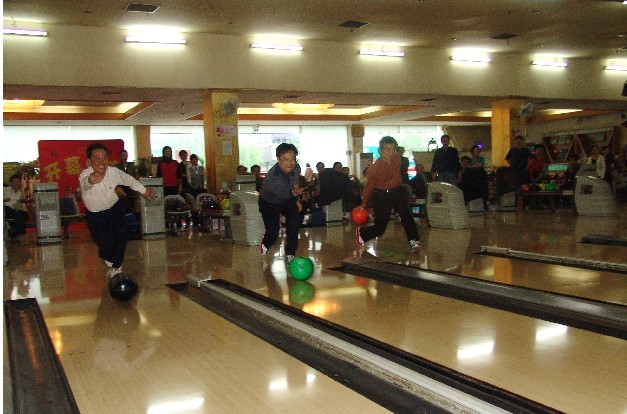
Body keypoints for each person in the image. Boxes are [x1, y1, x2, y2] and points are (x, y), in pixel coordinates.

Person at [80, 143, 156, 276]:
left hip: (114, 208)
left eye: (104, 158)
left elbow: (129, 180)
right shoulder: (85, 174)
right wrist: (91, 180)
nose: (101, 162)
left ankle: (117, 267)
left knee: (121, 235)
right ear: (89, 160)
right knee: (104, 244)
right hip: (95, 215)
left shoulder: (113, 172)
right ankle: (108, 257)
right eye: (97, 158)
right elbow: (85, 184)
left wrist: (143, 190)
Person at [355, 136, 420, 252]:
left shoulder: (397, 158)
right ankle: (363, 234)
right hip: (381, 195)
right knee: (380, 228)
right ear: (380, 150)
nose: (390, 153)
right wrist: (363, 204)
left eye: (393, 149)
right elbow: (369, 187)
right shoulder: (374, 169)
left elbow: (401, 154)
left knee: (406, 216)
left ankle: (413, 241)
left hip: (397, 191)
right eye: (387, 149)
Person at [258, 143, 304, 262]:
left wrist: (296, 199)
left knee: (294, 221)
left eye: (293, 159)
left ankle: (290, 253)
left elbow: (294, 183)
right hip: (269, 202)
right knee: (273, 232)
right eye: (286, 159)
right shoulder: (272, 177)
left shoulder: (296, 168)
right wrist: (295, 195)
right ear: (278, 159)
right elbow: (284, 194)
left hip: (287, 198)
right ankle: (266, 243)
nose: (290, 163)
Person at [3, 174, 28, 240]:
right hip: (4, 209)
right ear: (11, 183)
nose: (16, 183)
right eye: (14, 181)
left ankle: (14, 231)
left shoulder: (19, 193)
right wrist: (3, 200)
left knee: (25, 215)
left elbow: (18, 202)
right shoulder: (5, 189)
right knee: (18, 215)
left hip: (12, 209)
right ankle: (19, 232)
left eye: (18, 181)